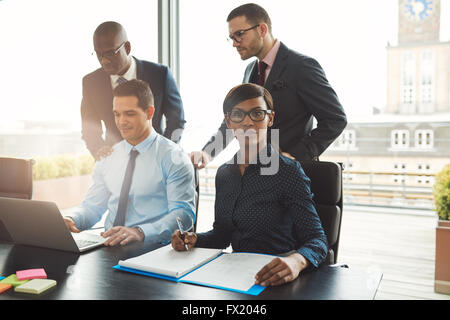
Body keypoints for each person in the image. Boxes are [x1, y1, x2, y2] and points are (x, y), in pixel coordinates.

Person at [172, 83, 328, 287]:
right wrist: (194, 240)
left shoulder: (288, 171)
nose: (247, 122)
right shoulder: (224, 174)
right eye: (238, 115)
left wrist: (296, 261)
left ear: (269, 118)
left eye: (257, 114)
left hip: (277, 275)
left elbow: (318, 239)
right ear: (229, 121)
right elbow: (222, 235)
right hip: (236, 275)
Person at [191, 3, 347, 168]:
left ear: (262, 30)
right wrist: (207, 152)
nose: (235, 43)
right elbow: (235, 118)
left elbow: (335, 119)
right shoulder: (250, 70)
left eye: (239, 35)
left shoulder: (301, 66)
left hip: (292, 175)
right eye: (231, 38)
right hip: (258, 172)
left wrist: (296, 155)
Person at [65, 79, 195, 247]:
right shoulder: (108, 157)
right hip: (108, 246)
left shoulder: (173, 157)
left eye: (129, 114)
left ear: (149, 113)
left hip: (152, 249)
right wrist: (71, 219)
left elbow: (183, 215)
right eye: (117, 114)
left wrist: (140, 231)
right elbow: (92, 207)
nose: (121, 121)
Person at [81, 21, 185, 161]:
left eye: (110, 53)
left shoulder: (160, 74)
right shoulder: (91, 83)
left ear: (127, 48)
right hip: (114, 165)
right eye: (99, 54)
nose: (104, 60)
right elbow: (89, 128)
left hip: (156, 161)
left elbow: (177, 121)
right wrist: (100, 152)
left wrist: (165, 152)